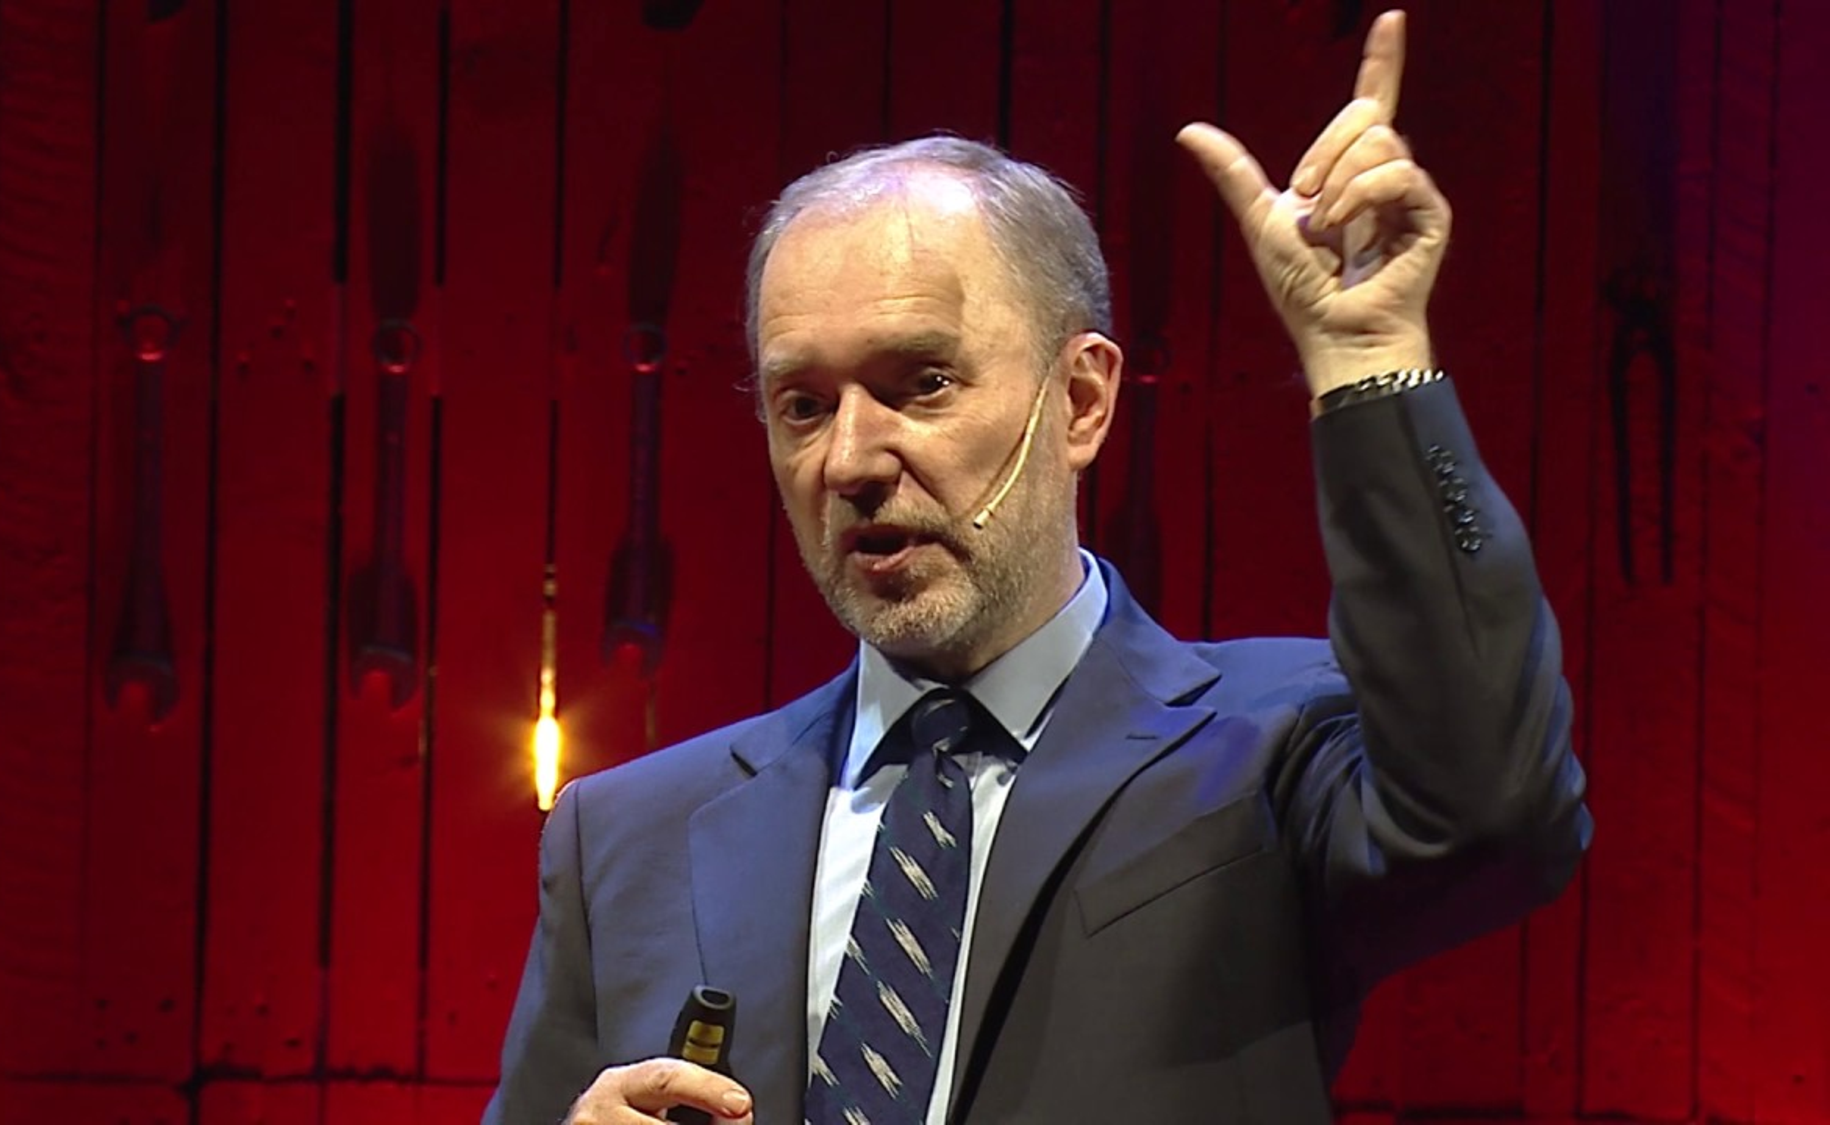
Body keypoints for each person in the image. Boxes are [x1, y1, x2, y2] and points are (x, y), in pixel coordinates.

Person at [486, 11, 1591, 1123]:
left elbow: (1494, 814)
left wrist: (1368, 367)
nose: (851, 459)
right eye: (803, 405)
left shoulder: (1273, 751)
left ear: (1080, 400)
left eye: (921, 383)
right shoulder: (623, 840)